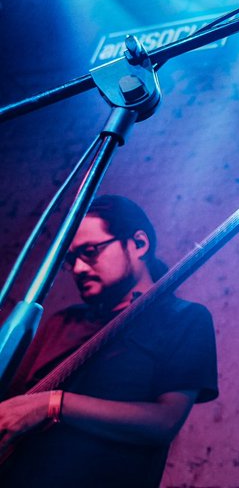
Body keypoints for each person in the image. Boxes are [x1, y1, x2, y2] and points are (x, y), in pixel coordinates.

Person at [0, 195, 219, 488]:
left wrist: (54, 404)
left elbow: (165, 421)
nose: (78, 268)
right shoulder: (62, 322)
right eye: (71, 260)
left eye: (90, 252)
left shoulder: (184, 319)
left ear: (139, 244)